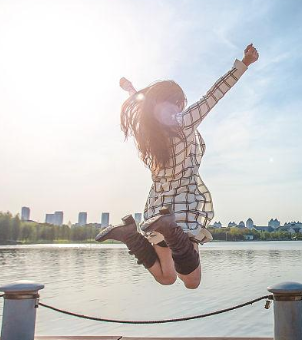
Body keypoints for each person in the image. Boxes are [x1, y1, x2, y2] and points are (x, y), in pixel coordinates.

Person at [95, 43, 259, 289]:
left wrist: (129, 88)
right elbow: (213, 96)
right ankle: (171, 231)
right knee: (191, 281)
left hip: (158, 206)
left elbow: (140, 102)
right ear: (178, 102)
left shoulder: (148, 131)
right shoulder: (183, 122)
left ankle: (130, 235)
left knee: (166, 277)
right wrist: (244, 64)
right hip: (183, 205)